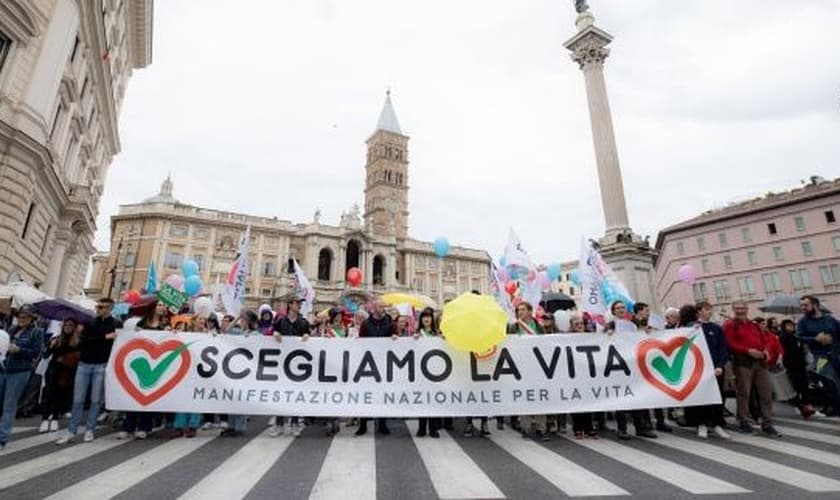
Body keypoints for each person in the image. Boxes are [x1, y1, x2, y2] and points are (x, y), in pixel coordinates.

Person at [57, 298, 120, 445]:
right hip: (84, 363)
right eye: (98, 306)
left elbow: (118, 339)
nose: (99, 309)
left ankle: (90, 429)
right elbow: (85, 341)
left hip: (101, 364)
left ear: (110, 308)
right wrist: (105, 337)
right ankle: (71, 431)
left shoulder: (116, 324)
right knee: (78, 399)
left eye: (102, 307)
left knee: (95, 400)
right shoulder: (89, 322)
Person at [723, 300, 780, 437]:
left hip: (760, 362)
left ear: (747, 309)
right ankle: (744, 421)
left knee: (766, 393)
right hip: (743, 363)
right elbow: (729, 343)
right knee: (744, 394)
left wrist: (766, 350)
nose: (740, 310)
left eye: (742, 308)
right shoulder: (730, 325)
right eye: (737, 308)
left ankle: (767, 422)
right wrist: (747, 350)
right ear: (733, 309)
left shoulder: (754, 325)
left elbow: (764, 340)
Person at [119, 301, 169, 440]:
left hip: (155, 364)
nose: (162, 307)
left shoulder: (165, 326)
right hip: (140, 362)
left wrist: (172, 333)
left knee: (149, 394)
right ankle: (128, 426)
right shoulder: (140, 324)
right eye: (159, 305)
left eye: (163, 306)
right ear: (153, 308)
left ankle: (144, 427)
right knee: (134, 394)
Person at [682, 302, 731, 439]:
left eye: (711, 309)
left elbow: (723, 348)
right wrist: (692, 330)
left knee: (718, 396)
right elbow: (682, 346)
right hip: (698, 369)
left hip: (715, 369)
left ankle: (717, 424)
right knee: (700, 397)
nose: (710, 312)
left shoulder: (716, 328)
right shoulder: (690, 327)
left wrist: (720, 365)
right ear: (699, 312)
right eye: (707, 309)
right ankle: (701, 423)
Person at [0, 305, 45, 449]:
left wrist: (19, 349)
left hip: (20, 371)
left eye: (24, 317)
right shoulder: (12, 330)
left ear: (31, 318)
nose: (21, 319)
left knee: (9, 404)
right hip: (4, 368)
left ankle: (2, 438)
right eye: (19, 316)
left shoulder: (36, 332)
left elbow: (36, 352)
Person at [269, 298, 311, 437]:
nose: (299, 305)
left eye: (300, 304)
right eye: (296, 303)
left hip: (298, 365)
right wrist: (275, 333)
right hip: (282, 364)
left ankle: (294, 424)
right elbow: (272, 331)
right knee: (281, 394)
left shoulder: (303, 322)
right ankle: (279, 424)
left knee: (295, 394)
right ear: (290, 305)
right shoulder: (280, 321)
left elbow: (309, 335)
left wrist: (306, 335)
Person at [508, 302, 548, 440]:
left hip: (538, 366)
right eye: (518, 310)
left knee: (539, 397)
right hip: (520, 366)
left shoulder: (539, 326)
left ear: (530, 311)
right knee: (524, 396)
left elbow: (547, 344)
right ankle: (525, 428)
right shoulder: (514, 327)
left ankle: (541, 429)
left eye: (523, 310)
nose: (520, 312)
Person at [797, 295, 840, 415]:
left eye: (805, 305)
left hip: (836, 354)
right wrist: (816, 339)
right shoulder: (802, 322)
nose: (803, 308)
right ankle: (835, 407)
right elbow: (800, 337)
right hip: (820, 357)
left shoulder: (830, 319)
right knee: (829, 382)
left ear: (815, 305)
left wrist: (832, 340)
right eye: (801, 305)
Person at [633, 302, 672, 433]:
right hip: (638, 362)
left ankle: (660, 421)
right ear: (639, 311)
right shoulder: (631, 324)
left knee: (657, 390)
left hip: (653, 360)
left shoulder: (653, 322)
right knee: (643, 393)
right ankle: (646, 422)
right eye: (646, 310)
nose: (648, 312)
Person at [356, 300, 393, 436]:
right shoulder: (366, 324)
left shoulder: (389, 323)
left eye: (384, 306)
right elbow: (361, 342)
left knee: (382, 395)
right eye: (380, 306)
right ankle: (363, 424)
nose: (383, 308)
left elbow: (394, 339)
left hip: (383, 364)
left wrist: (394, 338)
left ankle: (382, 424)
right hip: (367, 364)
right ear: (374, 308)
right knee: (366, 395)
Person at [221, 310, 260, 437]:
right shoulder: (239, 332)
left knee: (241, 398)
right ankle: (231, 425)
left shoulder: (256, 334)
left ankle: (239, 427)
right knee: (232, 398)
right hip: (235, 369)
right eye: (241, 320)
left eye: (243, 319)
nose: (241, 322)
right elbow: (226, 331)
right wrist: (237, 316)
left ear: (249, 321)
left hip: (247, 370)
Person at [40, 318, 81, 433]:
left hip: (67, 371)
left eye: (71, 325)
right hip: (53, 369)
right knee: (48, 393)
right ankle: (44, 418)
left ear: (74, 327)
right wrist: (50, 345)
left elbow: (78, 356)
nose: (68, 327)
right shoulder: (56, 339)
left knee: (60, 394)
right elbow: (45, 355)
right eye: (66, 325)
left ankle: (55, 418)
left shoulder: (77, 341)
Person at [779, 319, 820, 418]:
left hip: (800, 364)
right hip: (791, 365)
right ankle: (802, 407)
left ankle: (807, 405)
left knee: (804, 385)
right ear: (784, 326)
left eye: (792, 325)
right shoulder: (783, 337)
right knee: (795, 386)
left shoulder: (796, 336)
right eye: (788, 325)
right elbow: (787, 350)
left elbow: (801, 348)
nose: (792, 326)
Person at [567, 313, 598, 439]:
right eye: (577, 324)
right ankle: (577, 428)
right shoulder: (567, 338)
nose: (580, 326)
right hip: (574, 373)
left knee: (588, 401)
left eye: (581, 323)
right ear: (572, 326)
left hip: (588, 372)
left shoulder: (590, 336)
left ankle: (589, 427)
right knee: (577, 402)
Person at [415, 307, 441, 438]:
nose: (426, 319)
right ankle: (421, 427)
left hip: (435, 372)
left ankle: (433, 428)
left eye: (429, 316)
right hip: (421, 372)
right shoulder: (417, 333)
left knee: (433, 401)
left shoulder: (437, 333)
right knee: (423, 401)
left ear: (432, 319)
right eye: (424, 316)